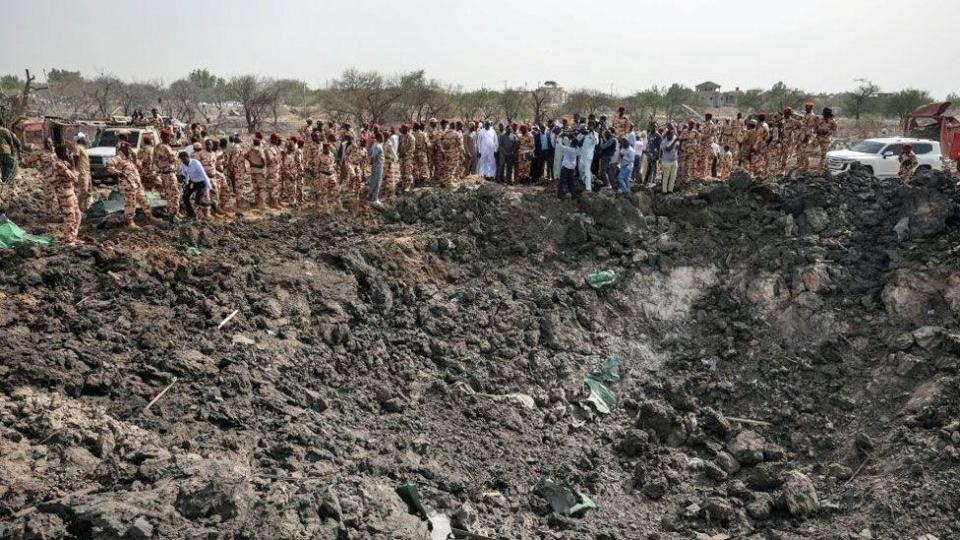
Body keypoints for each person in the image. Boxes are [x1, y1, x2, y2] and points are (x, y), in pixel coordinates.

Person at [106, 142, 161, 228]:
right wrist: (119, 173)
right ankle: (130, 223)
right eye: (128, 148)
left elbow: (140, 165)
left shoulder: (130, 159)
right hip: (127, 186)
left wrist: (135, 157)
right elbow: (108, 165)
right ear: (122, 149)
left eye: (129, 148)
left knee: (144, 201)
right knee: (130, 204)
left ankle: (150, 218)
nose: (129, 149)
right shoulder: (118, 158)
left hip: (136, 185)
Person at [41, 139, 82, 245]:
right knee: (70, 217)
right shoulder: (59, 165)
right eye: (67, 152)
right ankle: (69, 239)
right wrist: (72, 164)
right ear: (63, 153)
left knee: (77, 215)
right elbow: (73, 177)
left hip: (70, 192)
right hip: (65, 194)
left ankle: (73, 237)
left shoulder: (63, 163)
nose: (68, 154)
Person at [178, 151, 216, 220]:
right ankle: (191, 214)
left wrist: (210, 188)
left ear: (187, 157)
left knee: (198, 201)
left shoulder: (195, 163)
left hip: (201, 182)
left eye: (184, 160)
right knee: (185, 197)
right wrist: (184, 180)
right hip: (193, 182)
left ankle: (212, 203)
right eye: (182, 160)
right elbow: (185, 174)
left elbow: (204, 175)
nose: (183, 162)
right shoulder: (183, 164)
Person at [155, 128, 181, 219]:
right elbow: (172, 159)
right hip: (169, 174)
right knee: (175, 194)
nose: (170, 138)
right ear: (166, 137)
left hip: (162, 173)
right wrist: (176, 155)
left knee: (167, 194)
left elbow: (155, 160)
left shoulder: (157, 146)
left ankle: (168, 211)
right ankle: (174, 213)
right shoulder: (166, 147)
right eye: (170, 136)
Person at [245, 135, 268, 209]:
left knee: (255, 187)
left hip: (252, 170)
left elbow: (245, 156)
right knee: (261, 188)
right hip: (259, 170)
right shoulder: (259, 150)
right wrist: (263, 165)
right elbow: (263, 159)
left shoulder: (250, 149)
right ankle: (261, 204)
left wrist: (251, 162)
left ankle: (257, 202)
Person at [555, 134, 580, 199]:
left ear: (572, 143)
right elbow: (576, 144)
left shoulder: (568, 149)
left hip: (565, 167)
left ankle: (560, 195)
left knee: (562, 181)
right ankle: (573, 194)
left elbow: (560, 146)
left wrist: (560, 138)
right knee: (571, 182)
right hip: (572, 168)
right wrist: (573, 136)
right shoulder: (577, 150)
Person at [314, 140, 337, 211]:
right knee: (324, 191)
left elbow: (332, 164)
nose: (326, 149)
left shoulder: (331, 154)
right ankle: (325, 208)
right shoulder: (319, 156)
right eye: (325, 148)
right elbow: (317, 167)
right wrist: (317, 177)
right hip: (323, 175)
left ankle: (330, 204)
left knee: (334, 189)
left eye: (327, 147)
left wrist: (334, 173)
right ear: (323, 148)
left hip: (331, 175)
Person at [73, 133, 93, 211]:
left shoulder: (83, 148)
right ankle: (77, 208)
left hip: (87, 172)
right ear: (81, 139)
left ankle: (87, 208)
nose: (86, 139)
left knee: (89, 191)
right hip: (82, 172)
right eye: (84, 138)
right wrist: (75, 170)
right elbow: (75, 158)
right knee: (83, 191)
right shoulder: (77, 147)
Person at [0, 118, 22, 183]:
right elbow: (11, 142)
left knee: (3, 167)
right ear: (2, 124)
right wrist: (13, 151)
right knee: (9, 166)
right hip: (5, 151)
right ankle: (7, 183)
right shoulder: (5, 130)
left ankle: (4, 181)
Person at [579, 122, 599, 192]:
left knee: (587, 172)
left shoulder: (595, 134)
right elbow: (578, 139)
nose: (590, 126)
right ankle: (590, 182)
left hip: (588, 156)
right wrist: (582, 133)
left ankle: (588, 189)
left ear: (593, 126)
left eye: (591, 125)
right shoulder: (585, 133)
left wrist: (592, 133)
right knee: (581, 171)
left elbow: (596, 142)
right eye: (589, 125)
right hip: (582, 155)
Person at [265, 133, 284, 209]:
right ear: (273, 139)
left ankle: (275, 202)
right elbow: (270, 160)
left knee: (277, 186)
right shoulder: (268, 149)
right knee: (273, 186)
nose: (278, 141)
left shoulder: (276, 147)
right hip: (272, 170)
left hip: (277, 170)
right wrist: (279, 155)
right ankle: (273, 203)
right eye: (277, 139)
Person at [397, 124, 416, 194]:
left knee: (408, 171)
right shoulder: (401, 137)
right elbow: (399, 146)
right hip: (402, 157)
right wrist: (398, 153)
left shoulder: (411, 137)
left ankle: (408, 186)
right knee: (402, 171)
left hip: (408, 157)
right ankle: (403, 185)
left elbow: (412, 149)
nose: (401, 130)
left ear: (406, 129)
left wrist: (405, 153)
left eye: (402, 129)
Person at [660, 127, 680, 194]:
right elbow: (669, 149)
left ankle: (670, 190)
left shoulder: (674, 137)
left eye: (672, 135)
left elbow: (677, 146)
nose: (672, 137)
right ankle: (664, 190)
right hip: (666, 161)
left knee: (673, 176)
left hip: (674, 160)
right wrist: (675, 141)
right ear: (667, 135)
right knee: (666, 176)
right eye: (670, 136)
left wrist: (677, 144)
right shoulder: (664, 141)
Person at [367, 132, 385, 206]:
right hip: (378, 166)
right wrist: (372, 163)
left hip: (377, 165)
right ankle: (375, 198)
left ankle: (370, 195)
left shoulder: (376, 145)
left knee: (373, 180)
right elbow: (373, 157)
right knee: (377, 182)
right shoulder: (377, 146)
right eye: (382, 137)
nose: (383, 138)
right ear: (379, 138)